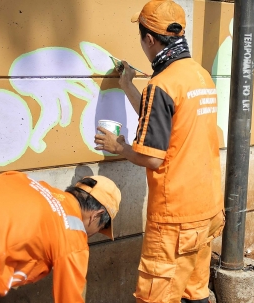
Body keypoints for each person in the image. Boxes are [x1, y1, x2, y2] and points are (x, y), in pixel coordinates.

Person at [94, 0, 224, 302]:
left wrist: (120, 147)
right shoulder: (199, 74)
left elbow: (153, 156)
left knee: (155, 297)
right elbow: (166, 122)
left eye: (141, 39)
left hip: (175, 220)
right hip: (206, 211)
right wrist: (128, 86)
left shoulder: (162, 84)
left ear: (149, 39)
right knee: (196, 292)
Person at [0, 171, 121, 303]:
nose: (93, 235)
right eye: (100, 228)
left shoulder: (23, 179)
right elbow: (71, 298)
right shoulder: (73, 233)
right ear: (96, 216)